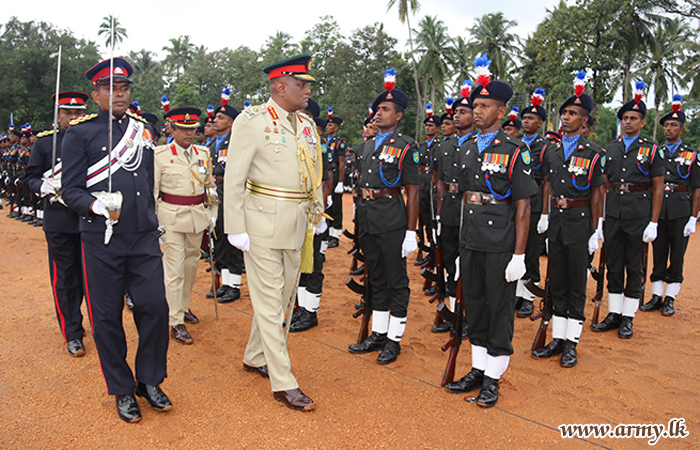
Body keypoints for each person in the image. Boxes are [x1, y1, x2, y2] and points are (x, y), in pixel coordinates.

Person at [61, 57, 172, 423]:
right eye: (110, 88)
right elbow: (71, 189)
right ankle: (122, 389)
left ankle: (149, 379)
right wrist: (94, 204)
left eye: (124, 89)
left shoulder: (142, 130)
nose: (119, 94)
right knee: (107, 317)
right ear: (97, 94)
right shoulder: (79, 134)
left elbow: (148, 182)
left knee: (154, 307)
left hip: (142, 237)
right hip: (102, 238)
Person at [224, 54, 324, 412]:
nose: (307, 90)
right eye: (302, 84)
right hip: (261, 223)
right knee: (269, 303)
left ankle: (254, 355)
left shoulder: (307, 124)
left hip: (297, 223)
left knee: (282, 297)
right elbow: (234, 178)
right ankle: (284, 381)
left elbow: (315, 170)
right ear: (280, 87)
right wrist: (234, 228)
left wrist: (319, 211)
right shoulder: (251, 121)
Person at [444, 54, 537, 408]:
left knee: (498, 308)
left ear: (501, 112)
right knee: (475, 307)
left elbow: (524, 206)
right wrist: (459, 247)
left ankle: (494, 378)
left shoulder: (515, 150)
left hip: (500, 242)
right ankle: (478, 368)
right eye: (475, 105)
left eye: (485, 106)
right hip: (471, 241)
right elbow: (466, 200)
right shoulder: (466, 148)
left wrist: (519, 255)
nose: (477, 110)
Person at [347, 68, 419, 365]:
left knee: (395, 280)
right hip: (367, 219)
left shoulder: (406, 147)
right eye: (377, 109)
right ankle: (378, 332)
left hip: (391, 219)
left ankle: (394, 339)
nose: (378, 113)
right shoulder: (364, 147)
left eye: (385, 109)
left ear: (398, 116)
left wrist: (411, 232)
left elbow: (413, 191)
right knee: (374, 277)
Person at [533, 74, 605, 367]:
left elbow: (599, 192)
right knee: (557, 279)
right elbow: (548, 183)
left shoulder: (594, 153)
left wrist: (596, 229)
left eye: (573, 113)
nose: (565, 117)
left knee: (576, 282)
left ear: (584, 121)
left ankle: (572, 342)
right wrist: (545, 215)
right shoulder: (551, 150)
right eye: (564, 112)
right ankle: (558, 337)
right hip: (558, 223)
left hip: (580, 221)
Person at [592, 80, 664, 339]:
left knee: (635, 266)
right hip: (613, 214)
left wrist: (654, 221)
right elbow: (604, 186)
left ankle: (628, 317)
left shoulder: (652, 149)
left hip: (638, 214)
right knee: (613, 264)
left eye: (633, 118)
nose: (628, 122)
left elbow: (658, 187)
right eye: (624, 118)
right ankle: (614, 312)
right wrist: (600, 219)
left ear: (642, 122)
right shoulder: (609, 149)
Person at [25, 91, 88, 357]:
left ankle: (82, 319)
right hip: (59, 220)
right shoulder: (45, 143)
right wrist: (45, 186)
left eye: (78, 113)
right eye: (68, 113)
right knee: (65, 278)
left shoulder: (95, 139)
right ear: (58, 115)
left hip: (89, 219)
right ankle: (72, 330)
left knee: (89, 278)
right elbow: (31, 176)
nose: (73, 118)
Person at [154, 106, 214, 345]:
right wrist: (154, 224)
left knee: (190, 267)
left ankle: (183, 306)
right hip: (171, 218)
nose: (189, 133)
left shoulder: (203, 153)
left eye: (193, 129)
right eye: (183, 129)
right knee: (175, 270)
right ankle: (174, 320)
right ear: (172, 129)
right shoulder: (160, 155)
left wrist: (214, 212)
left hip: (197, 217)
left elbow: (209, 186)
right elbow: (153, 192)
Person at [642, 95, 700, 316]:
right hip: (659, 210)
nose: (668, 129)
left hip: (680, 211)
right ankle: (656, 295)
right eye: (666, 125)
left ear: (681, 130)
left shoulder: (692, 155)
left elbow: (696, 187)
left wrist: (693, 217)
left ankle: (670, 298)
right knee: (658, 252)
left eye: (673, 125)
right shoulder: (655, 152)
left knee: (677, 255)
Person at [433, 83, 475, 333]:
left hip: (470, 210)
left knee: (468, 265)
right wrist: (438, 214)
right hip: (448, 209)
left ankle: (468, 315)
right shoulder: (444, 146)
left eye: (463, 112)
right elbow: (439, 181)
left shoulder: (479, 144)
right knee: (449, 261)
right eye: (455, 112)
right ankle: (452, 312)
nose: (457, 116)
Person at [291, 98, 332, 332]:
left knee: (313, 263)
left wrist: (321, 211)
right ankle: (300, 309)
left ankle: (311, 312)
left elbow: (323, 180)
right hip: (293, 208)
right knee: (298, 262)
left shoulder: (317, 141)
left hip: (312, 209)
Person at [515, 89, 548, 318]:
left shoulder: (545, 148)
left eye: (531, 119)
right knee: (515, 248)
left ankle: (528, 297)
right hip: (515, 204)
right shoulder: (515, 144)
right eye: (524, 118)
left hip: (535, 205)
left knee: (531, 253)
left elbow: (547, 183)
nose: (526, 122)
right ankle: (517, 294)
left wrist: (545, 213)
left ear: (541, 122)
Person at [208, 90, 242, 304]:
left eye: (220, 118)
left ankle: (235, 285)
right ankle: (226, 282)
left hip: (231, 192)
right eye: (216, 117)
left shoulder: (236, 141)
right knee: (218, 237)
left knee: (232, 238)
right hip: (215, 193)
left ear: (230, 122)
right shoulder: (213, 145)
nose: (215, 120)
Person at [416, 105, 441, 267]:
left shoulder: (440, 145)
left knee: (433, 221)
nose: (428, 127)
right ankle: (426, 251)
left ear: (437, 128)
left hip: (434, 181)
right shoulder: (422, 146)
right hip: (423, 182)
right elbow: (418, 165)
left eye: (431, 125)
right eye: (426, 125)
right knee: (424, 218)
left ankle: (434, 253)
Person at [325, 108, 346, 248]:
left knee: (336, 206)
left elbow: (342, 163)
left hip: (336, 174)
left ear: (336, 128)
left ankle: (335, 235)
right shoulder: (323, 141)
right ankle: (327, 232)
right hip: (326, 176)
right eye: (327, 125)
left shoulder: (339, 143)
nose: (328, 127)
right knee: (327, 205)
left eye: (331, 125)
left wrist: (340, 182)